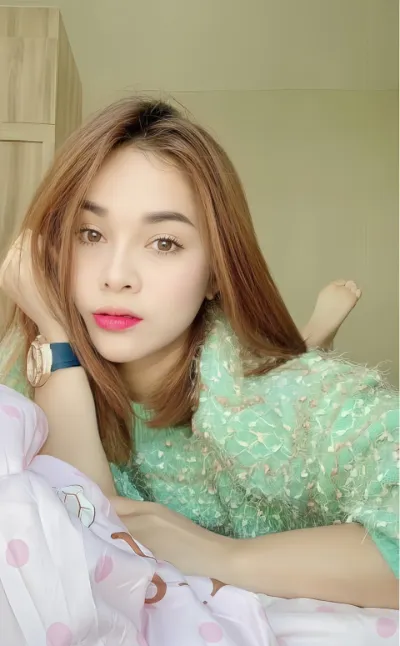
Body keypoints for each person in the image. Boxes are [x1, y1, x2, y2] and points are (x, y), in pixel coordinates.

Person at [0, 98, 398, 610]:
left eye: (164, 243)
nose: (116, 276)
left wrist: (222, 555)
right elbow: (82, 520)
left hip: (275, 382)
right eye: (91, 234)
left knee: (290, 370)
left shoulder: (284, 402)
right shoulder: (32, 358)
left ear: (216, 273)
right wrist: (55, 334)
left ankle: (310, 345)